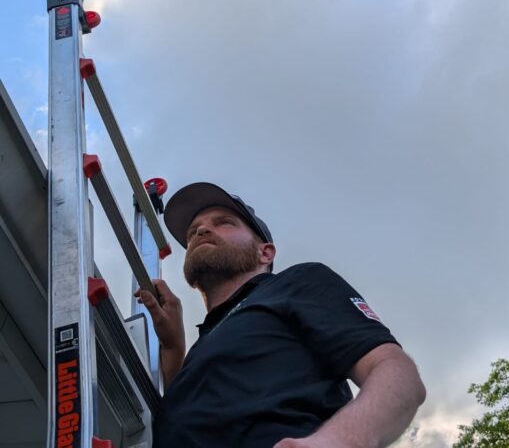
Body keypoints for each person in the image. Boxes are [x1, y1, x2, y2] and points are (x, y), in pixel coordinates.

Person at [137, 182, 426, 448]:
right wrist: (174, 348)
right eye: (193, 231)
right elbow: (189, 422)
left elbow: (396, 371)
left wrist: (336, 441)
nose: (201, 230)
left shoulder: (297, 283)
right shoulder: (203, 346)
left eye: (223, 222)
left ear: (265, 252)